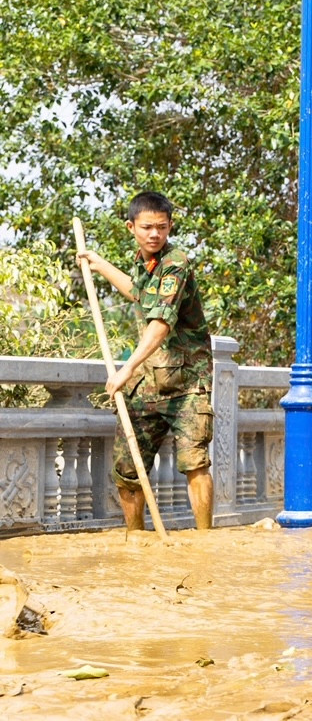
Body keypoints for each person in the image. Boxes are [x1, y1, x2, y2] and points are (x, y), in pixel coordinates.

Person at [78, 191, 215, 531]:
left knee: (194, 463)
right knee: (128, 469)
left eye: (162, 227)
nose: (155, 234)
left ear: (169, 227)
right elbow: (138, 293)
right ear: (131, 227)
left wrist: (125, 368)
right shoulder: (145, 264)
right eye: (147, 227)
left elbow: (160, 324)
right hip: (147, 383)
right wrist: (99, 264)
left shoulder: (176, 264)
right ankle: (136, 540)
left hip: (187, 384)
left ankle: (204, 543)